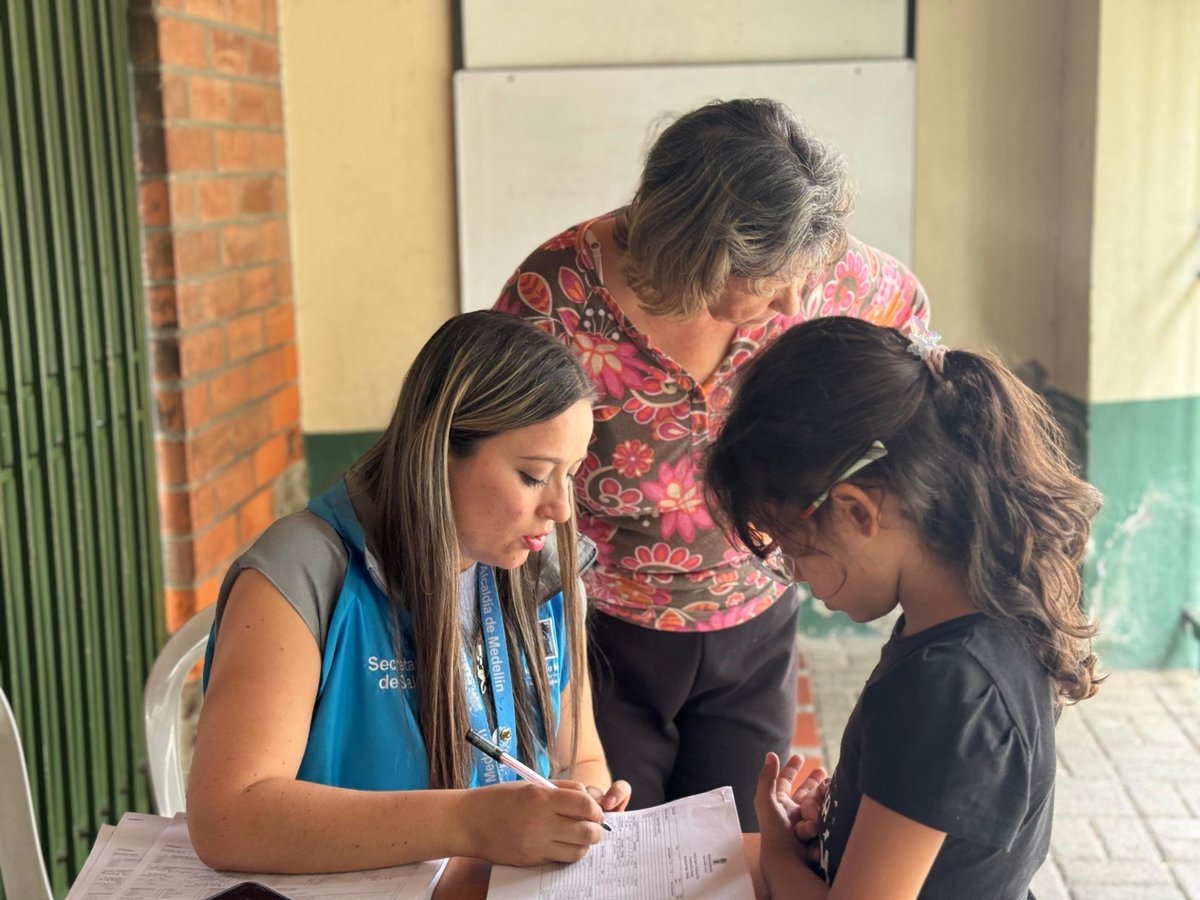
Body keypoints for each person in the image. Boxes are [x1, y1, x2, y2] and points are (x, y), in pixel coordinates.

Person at [495, 97, 929, 829]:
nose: (796, 299)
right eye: (767, 281)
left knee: (738, 846)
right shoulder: (557, 301)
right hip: (604, 629)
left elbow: (925, 374)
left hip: (756, 617)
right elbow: (500, 469)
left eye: (805, 274)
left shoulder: (829, 276)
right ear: (694, 253)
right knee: (617, 847)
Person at [187, 311, 630, 874]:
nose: (561, 510)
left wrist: (581, 808)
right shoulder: (303, 569)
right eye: (533, 474)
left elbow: (579, 757)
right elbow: (229, 817)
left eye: (570, 474)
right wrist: (468, 824)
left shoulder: (541, 571)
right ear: (438, 450)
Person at [704, 316, 1103, 898]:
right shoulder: (981, 615)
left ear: (857, 512)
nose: (792, 574)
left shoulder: (946, 685)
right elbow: (937, 807)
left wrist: (777, 851)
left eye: (789, 546)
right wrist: (848, 820)